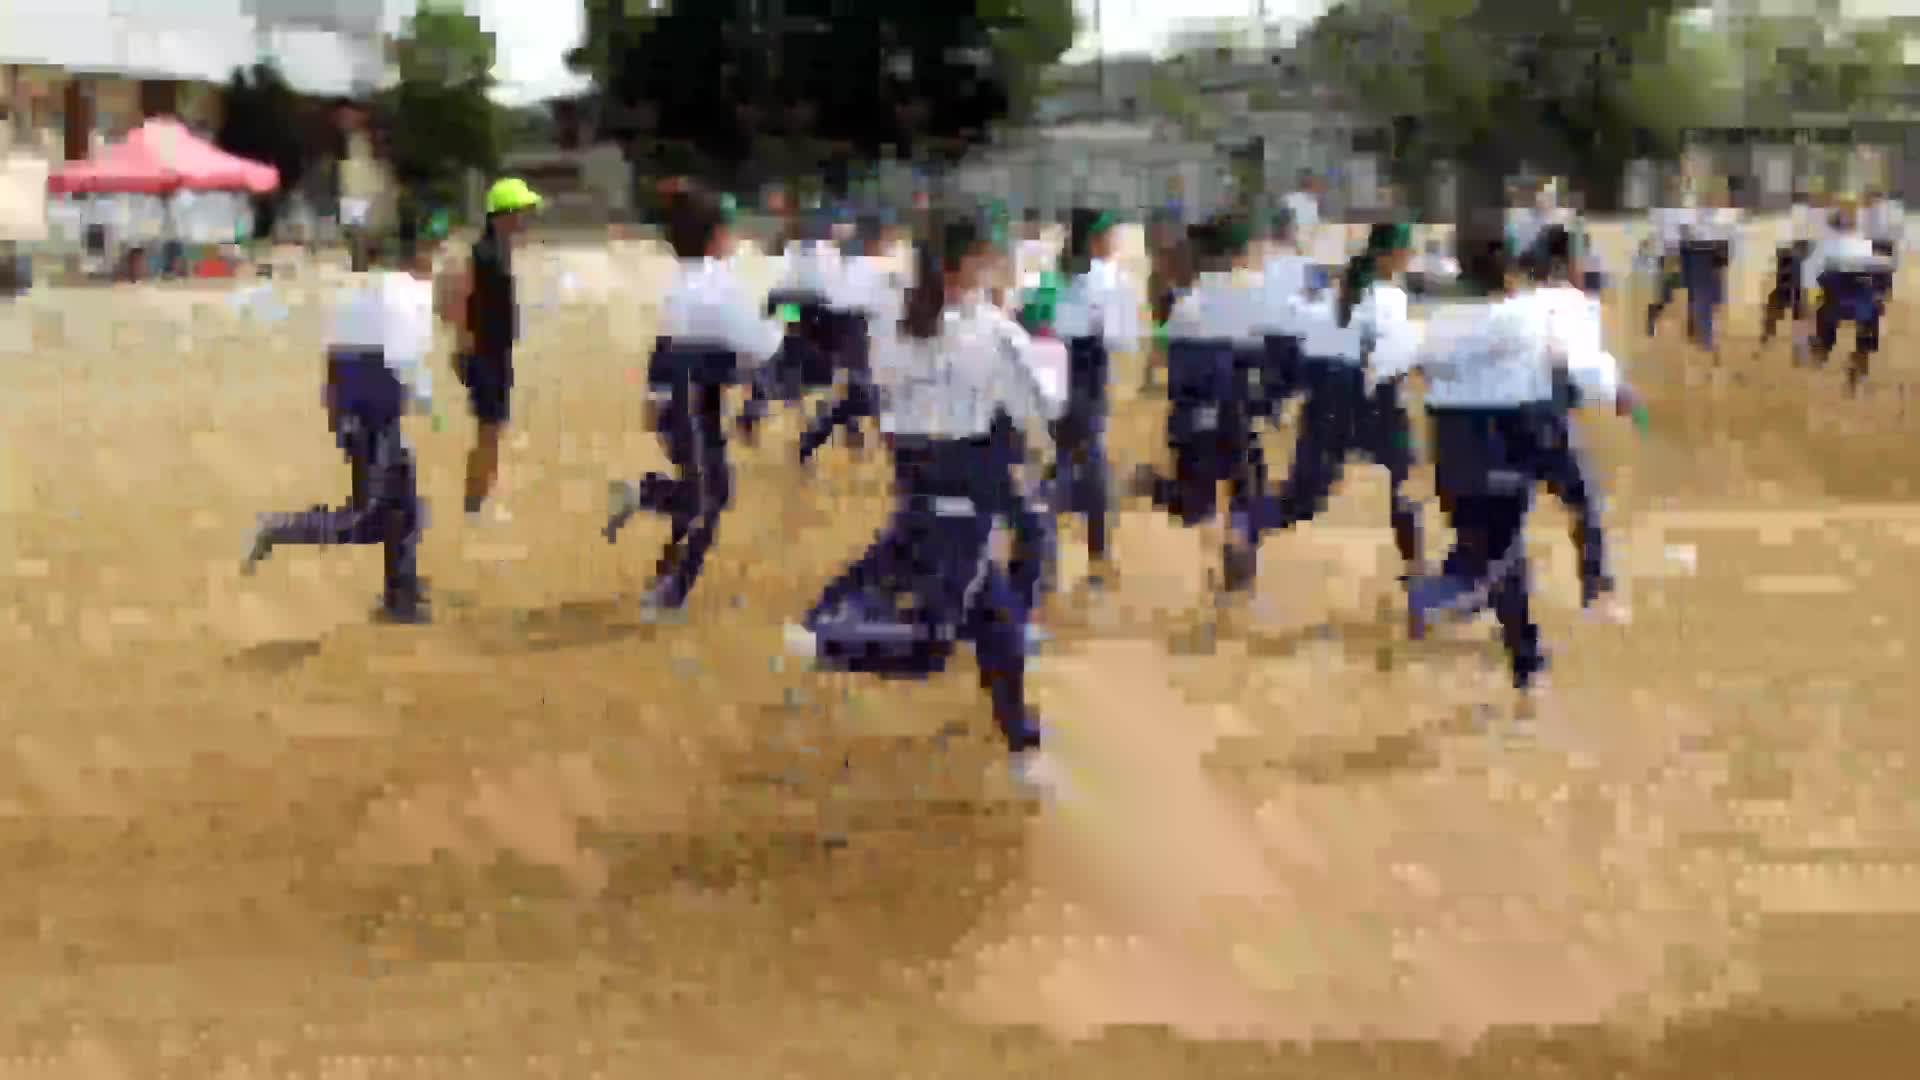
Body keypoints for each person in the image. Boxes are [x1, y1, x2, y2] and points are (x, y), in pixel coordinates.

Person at [783, 213, 1068, 798]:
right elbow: (1043, 407)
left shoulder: (893, 318)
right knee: (933, 644)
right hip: (965, 496)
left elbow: (883, 389)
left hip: (917, 484)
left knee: (998, 628)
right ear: (966, 266)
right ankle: (827, 644)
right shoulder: (992, 332)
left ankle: (1025, 748)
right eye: (990, 258)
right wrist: (1044, 343)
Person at [1396, 241, 1642, 712]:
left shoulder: (1447, 316)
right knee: (1546, 522)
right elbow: (1578, 362)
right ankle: (1450, 601)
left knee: (1500, 553)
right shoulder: (1547, 308)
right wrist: (1617, 392)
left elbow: (1416, 362)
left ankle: (1526, 667)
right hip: (1521, 427)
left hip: (1452, 437)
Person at [242, 223, 440, 623]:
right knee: (368, 517)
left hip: (358, 411)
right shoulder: (407, 294)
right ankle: (281, 528)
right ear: (416, 257)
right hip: (376, 415)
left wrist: (336, 413)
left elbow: (332, 359)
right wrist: (425, 401)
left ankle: (401, 593)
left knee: (404, 505)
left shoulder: (358, 291)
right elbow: (406, 359)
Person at [604, 185, 785, 615]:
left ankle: (644, 503)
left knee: (702, 492)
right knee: (710, 500)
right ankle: (669, 589)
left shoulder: (680, 282)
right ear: (715, 237)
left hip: (676, 406)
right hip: (696, 408)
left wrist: (653, 395)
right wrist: (786, 316)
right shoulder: (722, 286)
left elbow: (662, 347)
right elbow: (762, 344)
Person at [1233, 222, 1426, 594]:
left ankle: (1244, 528)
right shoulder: (1388, 296)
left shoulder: (1337, 291)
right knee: (1403, 483)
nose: (1409, 258)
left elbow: (1298, 342)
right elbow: (1393, 355)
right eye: (1406, 251)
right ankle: (1417, 573)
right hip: (1368, 392)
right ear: (1390, 255)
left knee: (1302, 499)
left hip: (1326, 393)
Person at [1129, 213, 1271, 597]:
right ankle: (1237, 560)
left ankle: (1158, 488)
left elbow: (1177, 375)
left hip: (1197, 415)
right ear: (1237, 253)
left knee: (1201, 503)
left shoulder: (1185, 306)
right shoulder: (1250, 295)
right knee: (1245, 494)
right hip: (1234, 413)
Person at [1527, 225, 1628, 620]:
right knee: (1585, 502)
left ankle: (1460, 591)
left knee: (1504, 508)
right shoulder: (1575, 302)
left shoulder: (1521, 299)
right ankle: (1597, 593)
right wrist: (1618, 391)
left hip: (1500, 412)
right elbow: (1584, 363)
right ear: (1569, 262)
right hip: (1547, 413)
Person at [439, 176, 541, 528]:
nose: (526, 219)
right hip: (484, 353)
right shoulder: (482, 252)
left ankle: (481, 498)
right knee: (488, 428)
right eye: (521, 212)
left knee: (493, 428)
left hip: (497, 351)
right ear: (503, 214)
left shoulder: (500, 249)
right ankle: (476, 503)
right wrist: (461, 348)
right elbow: (458, 298)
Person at [1049, 208, 1142, 587]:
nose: (1116, 243)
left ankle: (1045, 555)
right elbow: (1121, 339)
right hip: (1087, 378)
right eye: (1112, 235)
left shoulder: (1056, 276)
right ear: (1095, 241)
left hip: (1054, 373)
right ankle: (1098, 558)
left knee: (1062, 463)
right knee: (1092, 471)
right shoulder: (1108, 280)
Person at [1797, 198, 1891, 394]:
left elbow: (1810, 278)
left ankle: (1826, 353)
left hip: (1835, 303)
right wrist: (1880, 295)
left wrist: (1809, 305)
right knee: (1870, 318)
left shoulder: (1825, 245)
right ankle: (1857, 365)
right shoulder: (1863, 243)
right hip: (1857, 303)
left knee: (1824, 316)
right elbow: (1881, 273)